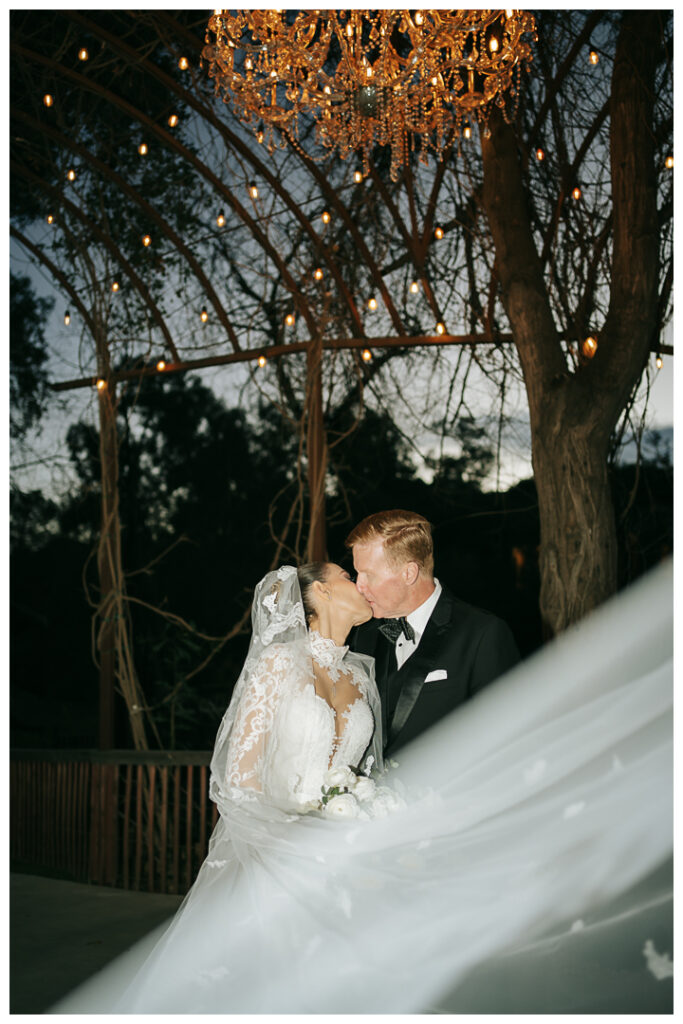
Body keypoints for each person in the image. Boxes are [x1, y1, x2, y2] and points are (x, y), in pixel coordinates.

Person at [52, 559, 672, 1014]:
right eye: (350, 576)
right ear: (320, 592)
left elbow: (366, 769)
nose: (361, 582)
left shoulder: (362, 668)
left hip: (356, 859)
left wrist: (369, 818)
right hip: (275, 862)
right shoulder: (277, 665)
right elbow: (235, 781)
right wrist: (295, 840)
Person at [346, 509, 520, 756]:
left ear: (409, 573)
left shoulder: (483, 634)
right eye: (357, 573)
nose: (358, 586)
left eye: (369, 575)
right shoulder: (365, 634)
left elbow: (506, 736)